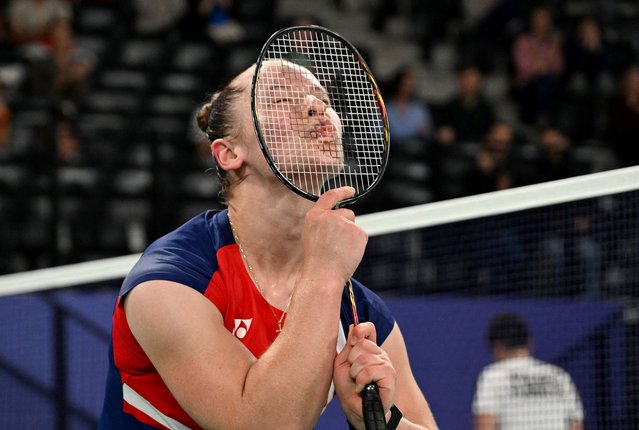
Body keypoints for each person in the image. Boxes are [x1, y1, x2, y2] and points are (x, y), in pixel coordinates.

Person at [99, 60, 438, 429]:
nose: (315, 106)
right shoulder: (172, 282)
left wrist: (380, 421)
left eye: (322, 98)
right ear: (228, 153)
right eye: (279, 99)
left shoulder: (358, 313)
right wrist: (324, 274)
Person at [472, 312, 584, 430]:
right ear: (530, 343)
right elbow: (576, 426)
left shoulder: (493, 376)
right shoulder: (559, 376)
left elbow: (485, 426)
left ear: (497, 347)